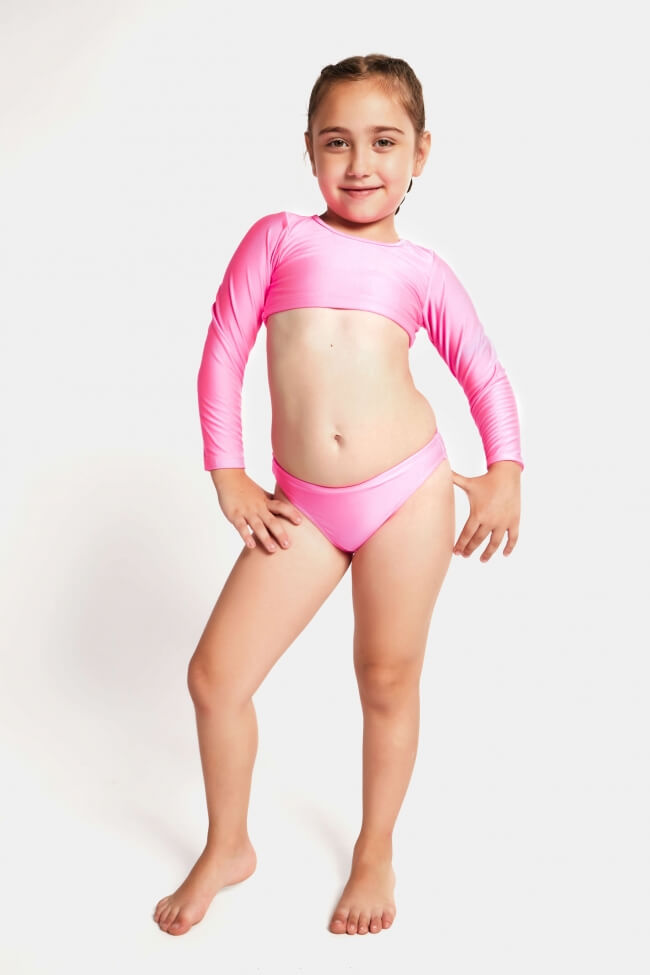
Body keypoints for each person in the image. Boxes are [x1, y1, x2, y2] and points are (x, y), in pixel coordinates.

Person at [154, 53, 524, 938]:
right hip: (304, 506)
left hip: (409, 494)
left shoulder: (423, 272)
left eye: (384, 142)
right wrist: (228, 471)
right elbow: (224, 347)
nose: (360, 163)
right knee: (215, 677)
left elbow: (483, 371)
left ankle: (374, 848)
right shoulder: (279, 239)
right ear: (311, 150)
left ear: (421, 152)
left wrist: (505, 470)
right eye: (338, 142)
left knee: (386, 676)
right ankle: (229, 843)